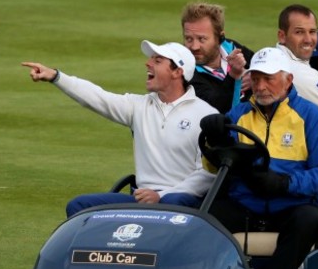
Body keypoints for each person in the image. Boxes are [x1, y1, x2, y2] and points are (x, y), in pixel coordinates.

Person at [201, 47, 318, 269]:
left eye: (268, 79)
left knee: (309, 220)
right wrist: (212, 141)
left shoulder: (312, 117)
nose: (261, 86)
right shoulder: (240, 113)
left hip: (292, 203)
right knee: (203, 220)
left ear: (288, 79)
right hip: (248, 201)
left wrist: (285, 183)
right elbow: (212, 167)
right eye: (255, 79)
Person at [22, 40, 218, 217]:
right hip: (142, 200)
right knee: (79, 206)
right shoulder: (139, 106)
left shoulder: (205, 114)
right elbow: (97, 98)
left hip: (182, 201)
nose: (148, 64)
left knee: (172, 201)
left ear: (177, 72)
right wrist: (56, 77)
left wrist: (161, 195)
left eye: (157, 61)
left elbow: (208, 174)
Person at [181, 1, 255, 113]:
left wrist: (256, 76)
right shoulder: (184, 73)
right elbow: (216, 109)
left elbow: (269, 66)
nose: (194, 47)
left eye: (202, 39)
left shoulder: (231, 47)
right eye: (189, 39)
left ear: (220, 38)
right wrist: (233, 77)